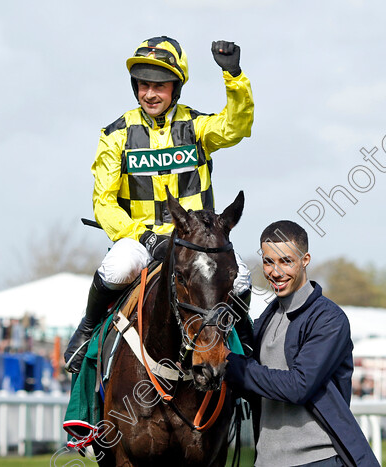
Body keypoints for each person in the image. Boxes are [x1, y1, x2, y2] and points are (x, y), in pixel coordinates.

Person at [63, 36, 255, 372]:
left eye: (159, 86)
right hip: (140, 240)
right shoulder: (116, 135)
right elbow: (104, 202)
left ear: (175, 87)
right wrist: (141, 235)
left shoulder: (199, 128)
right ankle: (87, 329)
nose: (149, 94)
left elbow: (237, 127)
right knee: (117, 269)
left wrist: (234, 77)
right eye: (143, 85)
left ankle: (244, 341)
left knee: (241, 278)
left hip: (196, 243)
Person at [225, 221, 378, 467]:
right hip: (265, 461)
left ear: (305, 259)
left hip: (318, 459)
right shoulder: (267, 317)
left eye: (286, 261)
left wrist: (234, 366)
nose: (275, 271)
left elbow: (299, 386)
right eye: (268, 261)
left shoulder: (329, 319)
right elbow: (251, 382)